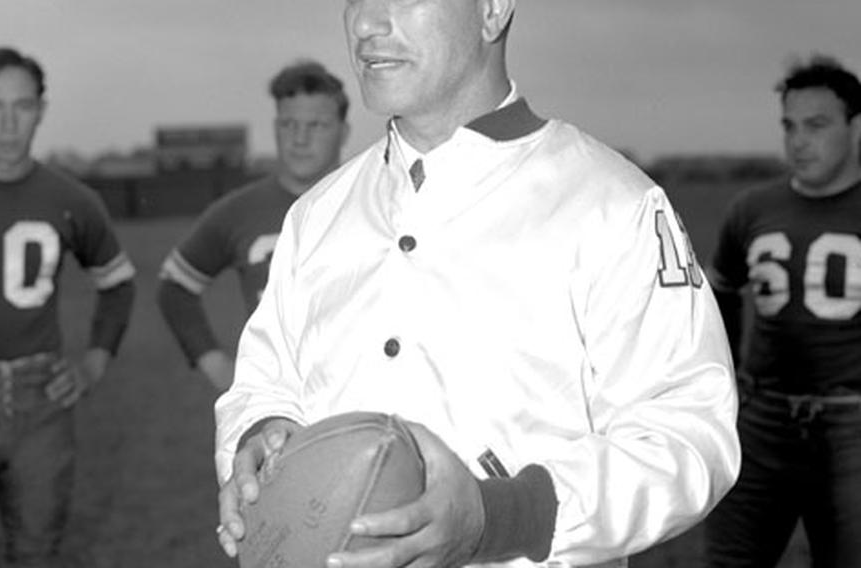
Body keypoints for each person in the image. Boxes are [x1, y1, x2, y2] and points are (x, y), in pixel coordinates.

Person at [215, 1, 740, 567]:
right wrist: (259, 436)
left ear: (492, 11)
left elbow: (689, 434)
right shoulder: (318, 213)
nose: (366, 24)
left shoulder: (614, 205)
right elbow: (264, 384)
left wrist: (501, 515)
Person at [0, 47, 137, 567]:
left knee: (38, 551)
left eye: (23, 105)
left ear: (41, 109)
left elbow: (119, 282)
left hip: (41, 403)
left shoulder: (70, 198)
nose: (9, 122)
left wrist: (94, 361)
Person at [704, 56, 861, 567]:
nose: (799, 141)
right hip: (764, 422)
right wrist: (728, 383)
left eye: (816, 126)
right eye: (789, 126)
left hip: (852, 425)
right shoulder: (752, 209)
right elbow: (720, 291)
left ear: (854, 127)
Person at [157, 60, 350, 391]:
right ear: (274, 127)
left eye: (316, 125)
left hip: (359, 394)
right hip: (275, 398)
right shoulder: (239, 210)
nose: (300, 139)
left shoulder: (379, 200)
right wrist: (217, 366)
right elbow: (174, 286)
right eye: (289, 124)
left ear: (343, 131)